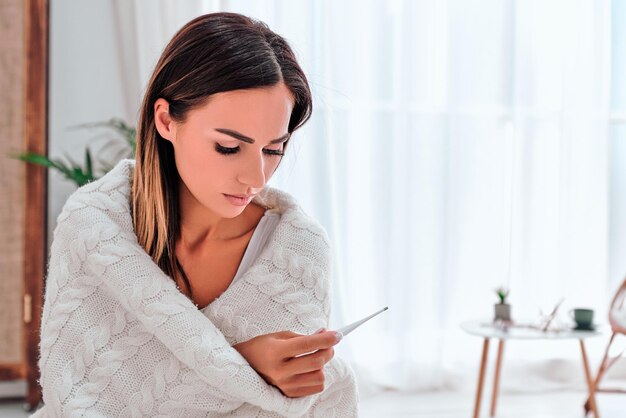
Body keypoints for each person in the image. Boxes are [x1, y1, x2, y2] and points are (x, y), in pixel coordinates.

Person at [33, 12, 359, 417]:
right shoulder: (93, 226)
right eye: (228, 147)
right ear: (167, 120)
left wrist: (284, 378)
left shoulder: (297, 254)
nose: (255, 177)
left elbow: (278, 407)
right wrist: (243, 363)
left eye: (274, 149)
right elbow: (78, 395)